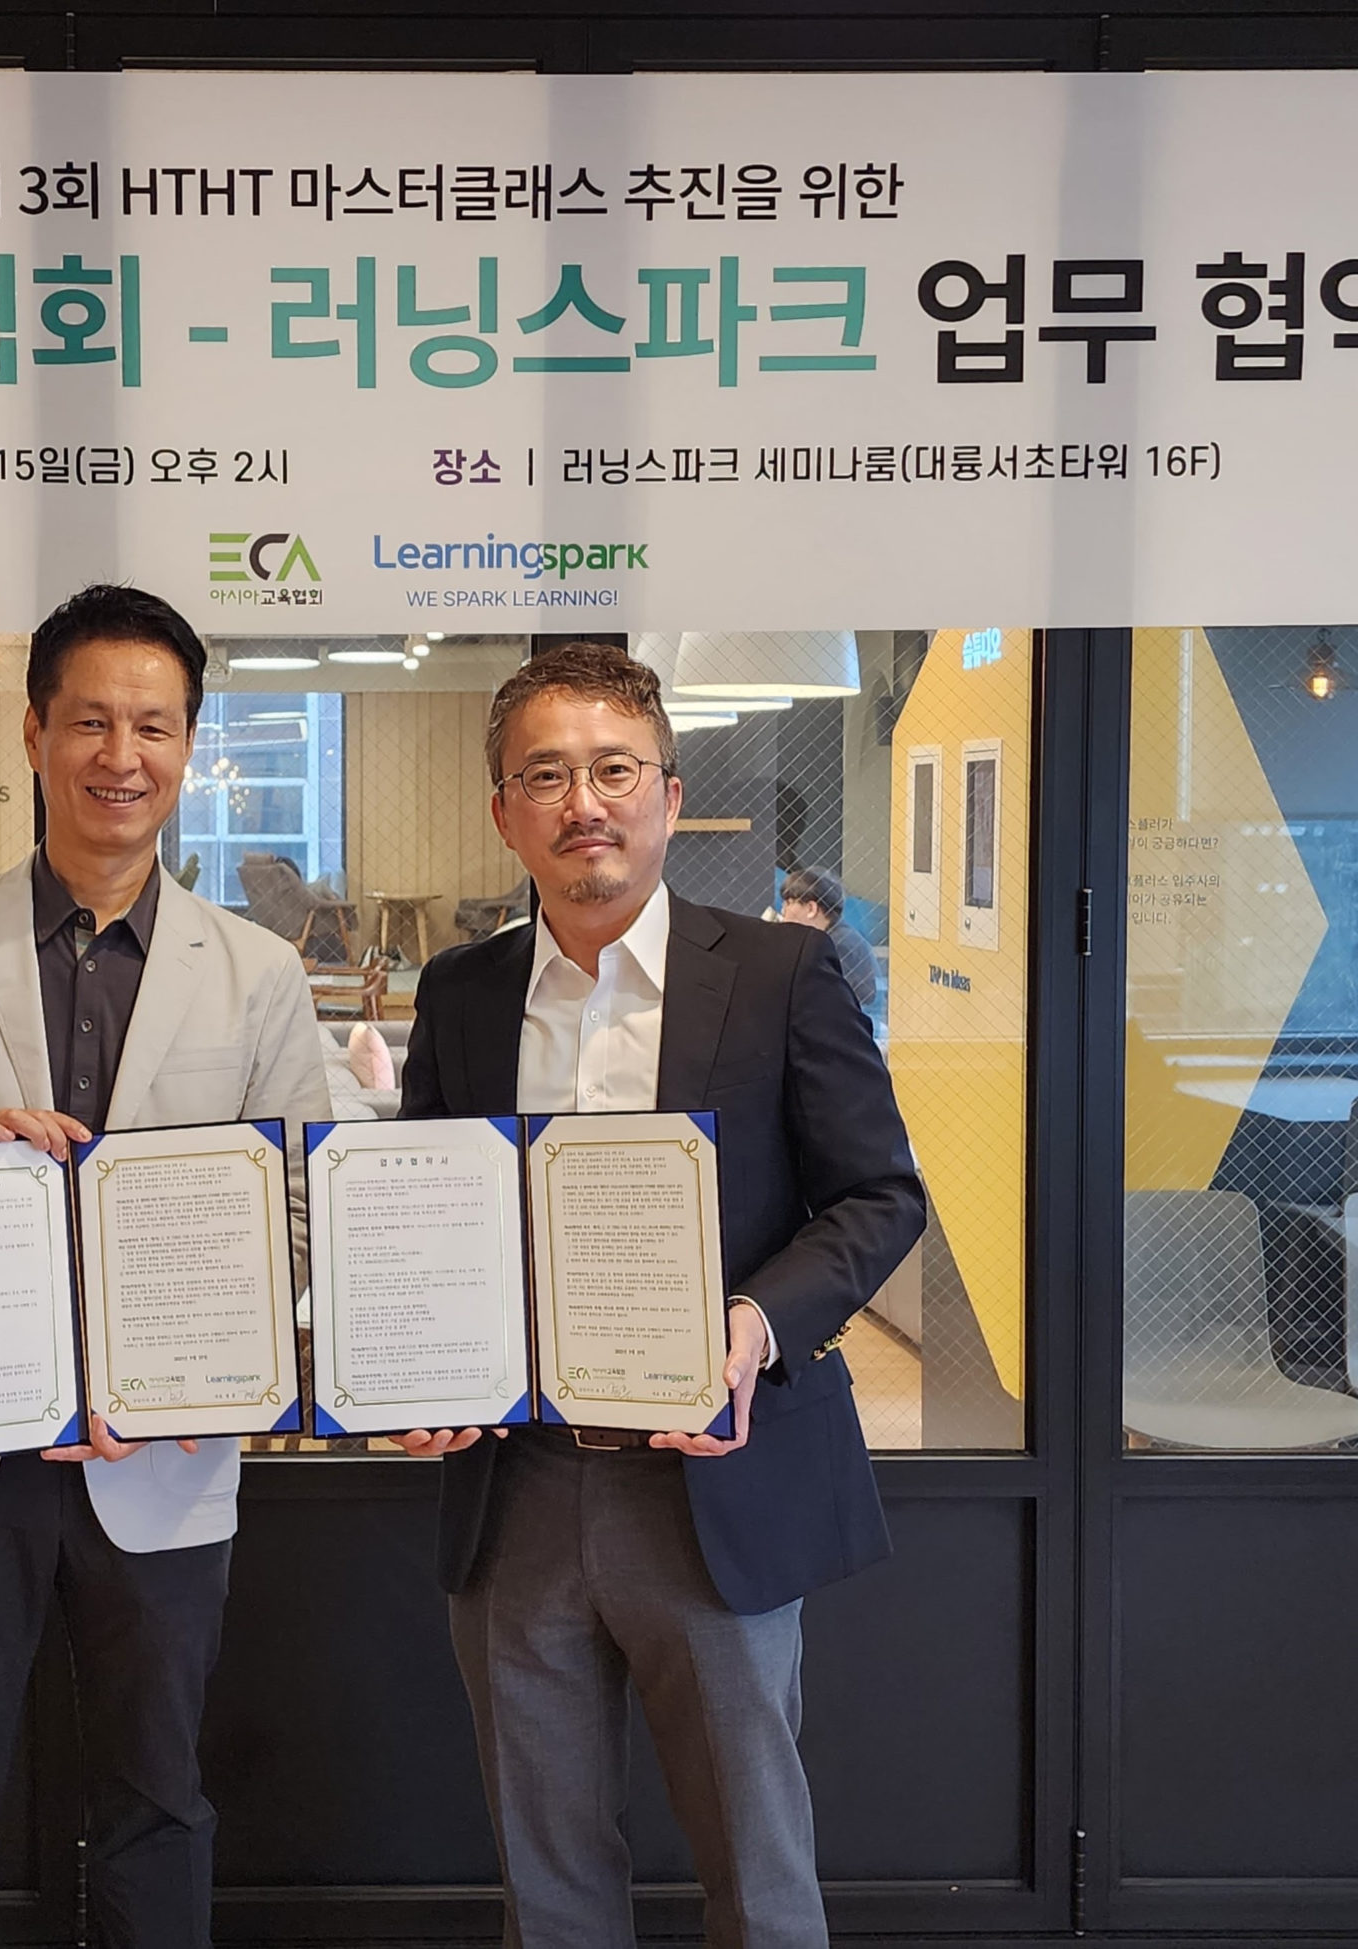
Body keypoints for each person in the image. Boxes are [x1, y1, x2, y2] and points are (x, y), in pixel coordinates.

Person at [0, 584, 333, 1949]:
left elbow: (298, 1206)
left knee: (159, 1800)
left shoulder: (258, 972)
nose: (121, 754)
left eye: (153, 725)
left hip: (162, 1455)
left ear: (190, 746)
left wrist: (187, 1371)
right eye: (90, 720)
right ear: (34, 733)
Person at [397, 644, 926, 1949]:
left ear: (670, 796)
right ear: (504, 812)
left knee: (757, 1868)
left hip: (712, 1481)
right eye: (545, 775)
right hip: (517, 1486)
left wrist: (753, 1325)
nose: (584, 801)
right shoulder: (463, 994)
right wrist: (416, 1356)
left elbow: (878, 1197)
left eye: (614, 769)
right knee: (548, 1875)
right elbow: (423, 1211)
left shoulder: (781, 974)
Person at [773, 865, 879, 1010]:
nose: (783, 910)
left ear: (811, 908)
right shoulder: (832, 937)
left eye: (789, 903)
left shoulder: (838, 944)